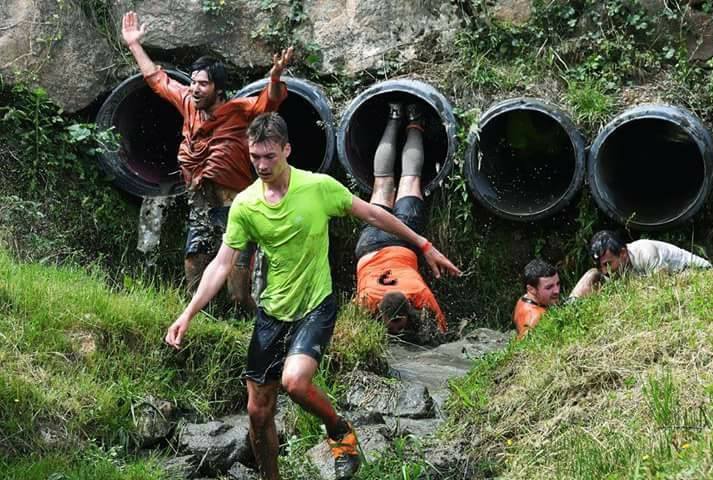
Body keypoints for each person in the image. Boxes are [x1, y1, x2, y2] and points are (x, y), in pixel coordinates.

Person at [164, 113, 460, 480]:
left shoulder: (318, 187)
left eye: (269, 156)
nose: (261, 165)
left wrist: (423, 244)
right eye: (255, 156)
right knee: (258, 413)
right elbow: (222, 264)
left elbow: (374, 214)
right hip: (273, 312)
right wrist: (188, 313)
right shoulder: (245, 205)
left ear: (287, 150)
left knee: (295, 382)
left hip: (315, 306)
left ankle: (339, 431)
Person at [121, 11, 292, 311]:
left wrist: (275, 76)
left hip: (236, 207)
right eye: (194, 82)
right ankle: (200, 324)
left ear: (218, 88)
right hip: (199, 202)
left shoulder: (239, 111)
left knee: (239, 292)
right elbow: (157, 80)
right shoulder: (187, 101)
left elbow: (271, 99)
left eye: (203, 84)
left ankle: (253, 325)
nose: (195, 89)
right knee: (194, 268)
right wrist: (135, 45)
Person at [354, 103, 447, 338]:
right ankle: (397, 117)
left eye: (395, 325)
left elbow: (441, 330)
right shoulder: (368, 300)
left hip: (399, 243)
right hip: (370, 245)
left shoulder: (417, 292)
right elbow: (442, 331)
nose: (395, 329)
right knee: (384, 183)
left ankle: (407, 118)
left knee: (406, 181)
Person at [569, 230, 712, 298]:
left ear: (623, 253)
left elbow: (661, 289)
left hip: (699, 273)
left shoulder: (645, 252)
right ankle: (570, 306)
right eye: (602, 266)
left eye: (608, 264)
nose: (606, 271)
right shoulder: (615, 267)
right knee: (592, 274)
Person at [512, 259, 561, 339]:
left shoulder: (524, 299)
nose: (556, 290)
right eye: (549, 287)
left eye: (558, 284)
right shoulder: (537, 316)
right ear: (531, 289)